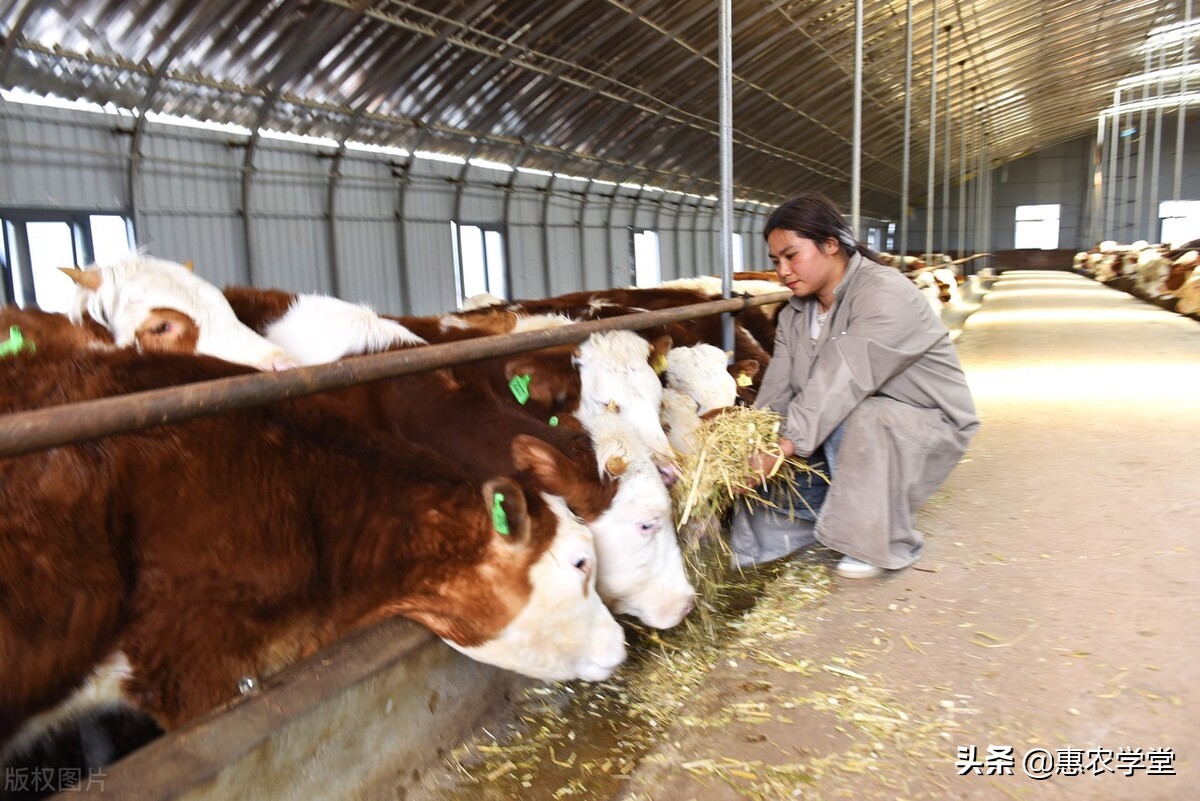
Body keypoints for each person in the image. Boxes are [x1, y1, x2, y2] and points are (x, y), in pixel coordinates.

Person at [730, 192, 979, 578]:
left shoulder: (884, 294)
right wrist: (756, 441)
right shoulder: (797, 314)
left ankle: (875, 539)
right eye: (775, 261)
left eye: (791, 255)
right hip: (843, 426)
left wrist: (785, 444)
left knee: (856, 414)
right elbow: (779, 387)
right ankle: (816, 528)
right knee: (779, 450)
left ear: (831, 245)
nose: (782, 270)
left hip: (923, 425)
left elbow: (843, 378)